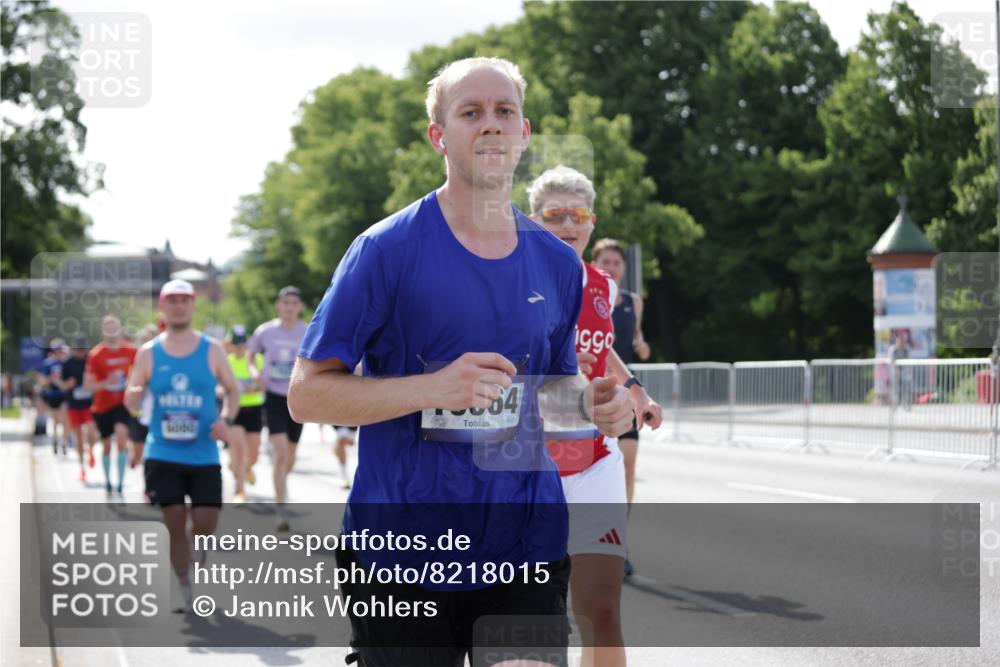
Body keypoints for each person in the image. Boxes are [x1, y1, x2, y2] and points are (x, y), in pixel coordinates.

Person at [288, 57, 635, 667]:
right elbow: (307, 394)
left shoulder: (557, 264)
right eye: (471, 113)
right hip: (403, 552)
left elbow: (554, 387)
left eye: (505, 112)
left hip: (523, 544)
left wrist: (591, 403)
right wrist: (433, 388)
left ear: (525, 132)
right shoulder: (384, 251)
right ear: (439, 135)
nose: (492, 126)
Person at [530, 165, 663, 667]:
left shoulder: (602, 285)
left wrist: (636, 389)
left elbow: (602, 350)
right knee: (534, 618)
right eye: (554, 214)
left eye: (577, 214)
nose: (568, 223)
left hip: (593, 462)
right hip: (526, 467)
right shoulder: (508, 282)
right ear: (532, 220)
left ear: (592, 222)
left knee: (602, 612)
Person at [125, 279, 239, 612]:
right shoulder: (149, 353)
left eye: (184, 300)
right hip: (162, 452)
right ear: (163, 306)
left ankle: (195, 563)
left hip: (204, 454)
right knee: (174, 521)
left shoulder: (212, 349)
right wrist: (132, 397)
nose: (178, 306)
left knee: (204, 524)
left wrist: (226, 421)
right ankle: (185, 584)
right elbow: (134, 394)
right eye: (172, 300)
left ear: (192, 306)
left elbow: (232, 391)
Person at [592, 238, 655, 576]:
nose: (612, 266)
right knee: (589, 470)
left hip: (626, 393)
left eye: (617, 262)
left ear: (624, 268)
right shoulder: (586, 293)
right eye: (606, 261)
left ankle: (617, 541)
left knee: (627, 468)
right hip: (591, 394)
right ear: (595, 263)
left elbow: (638, 344)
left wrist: (642, 345)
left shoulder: (633, 301)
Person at [248, 286, 307, 529]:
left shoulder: (308, 331)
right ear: (278, 305)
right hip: (273, 397)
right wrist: (255, 373)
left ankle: (281, 477)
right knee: (281, 453)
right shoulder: (266, 331)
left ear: (300, 307)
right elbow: (250, 356)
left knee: (290, 456)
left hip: (298, 398)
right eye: (286, 303)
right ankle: (280, 511)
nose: (290, 307)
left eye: (294, 303)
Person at [84, 316, 137, 496]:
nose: (112, 330)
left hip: (123, 404)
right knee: (106, 446)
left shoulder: (132, 352)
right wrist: (105, 383)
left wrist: (134, 386)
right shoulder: (96, 354)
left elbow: (141, 375)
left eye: (115, 326)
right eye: (108, 327)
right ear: (103, 331)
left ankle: (120, 484)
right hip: (102, 406)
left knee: (121, 439)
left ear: (120, 329)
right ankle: (108, 482)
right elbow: (88, 385)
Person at [225, 324, 264, 503]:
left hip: (254, 409)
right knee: (239, 449)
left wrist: (253, 387)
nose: (240, 347)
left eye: (243, 344)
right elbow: (220, 385)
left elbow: (264, 384)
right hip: (235, 410)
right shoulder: (226, 361)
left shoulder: (257, 360)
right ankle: (239, 491)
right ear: (231, 344)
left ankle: (246, 468)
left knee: (254, 453)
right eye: (236, 344)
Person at [60, 336, 97, 482]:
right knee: (79, 437)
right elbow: (62, 384)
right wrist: (68, 383)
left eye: (83, 349)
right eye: (78, 349)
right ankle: (82, 468)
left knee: (92, 432)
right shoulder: (68, 363)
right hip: (73, 404)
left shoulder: (91, 360)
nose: (80, 352)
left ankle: (91, 450)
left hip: (89, 404)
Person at [41, 339, 69, 454]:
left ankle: (64, 443)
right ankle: (55, 442)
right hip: (53, 395)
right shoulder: (48, 363)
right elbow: (43, 381)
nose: (58, 352)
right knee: (55, 421)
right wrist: (51, 379)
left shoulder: (66, 363)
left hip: (64, 395)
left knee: (65, 420)